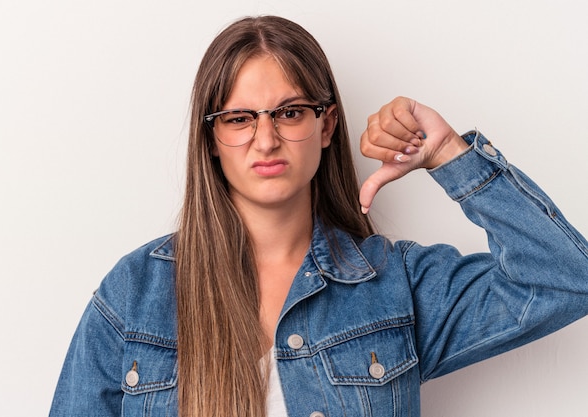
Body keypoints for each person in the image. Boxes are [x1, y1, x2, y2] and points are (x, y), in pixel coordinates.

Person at [48, 15, 588, 417]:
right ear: (211, 138)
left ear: (327, 126)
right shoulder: (133, 295)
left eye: (289, 112)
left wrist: (448, 152)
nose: (266, 138)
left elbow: (565, 279)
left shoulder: (394, 284)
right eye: (239, 118)